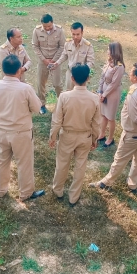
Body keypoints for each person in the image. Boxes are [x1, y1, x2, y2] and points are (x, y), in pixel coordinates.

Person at [0, 54, 45, 201]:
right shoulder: (25, 88)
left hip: (2, 131)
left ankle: (1, 189)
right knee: (24, 163)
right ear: (19, 70)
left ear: (3, 69)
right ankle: (25, 193)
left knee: (2, 161)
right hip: (21, 132)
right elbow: (37, 108)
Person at [89, 63, 137, 193]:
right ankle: (133, 184)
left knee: (120, 158)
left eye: (131, 73)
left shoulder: (134, 94)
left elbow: (134, 117)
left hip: (132, 133)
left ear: (136, 78)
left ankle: (106, 182)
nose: (129, 75)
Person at [49, 63, 101, 207]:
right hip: (85, 136)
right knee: (80, 166)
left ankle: (58, 190)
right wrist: (95, 138)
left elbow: (57, 119)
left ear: (72, 78)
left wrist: (53, 136)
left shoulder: (64, 96)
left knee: (62, 164)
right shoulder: (94, 98)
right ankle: (74, 196)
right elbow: (97, 123)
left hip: (67, 135)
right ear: (88, 78)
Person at [32, 14, 66, 114]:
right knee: (40, 84)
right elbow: (35, 47)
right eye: (45, 26)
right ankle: (42, 104)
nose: (47, 28)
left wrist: (54, 60)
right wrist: (44, 59)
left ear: (52, 22)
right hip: (43, 62)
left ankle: (62, 103)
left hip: (55, 62)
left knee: (57, 84)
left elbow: (62, 46)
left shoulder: (59, 30)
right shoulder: (37, 31)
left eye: (49, 26)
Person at [97, 42, 125, 147]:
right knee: (103, 114)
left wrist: (104, 94)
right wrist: (100, 91)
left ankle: (110, 138)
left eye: (109, 49)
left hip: (112, 93)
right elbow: (102, 77)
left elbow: (114, 84)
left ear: (114, 51)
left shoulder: (119, 67)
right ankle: (102, 133)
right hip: (104, 90)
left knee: (110, 117)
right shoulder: (109, 63)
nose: (107, 51)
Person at [51, 22, 94, 91]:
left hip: (81, 75)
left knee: (81, 94)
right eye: (73, 34)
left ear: (82, 33)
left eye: (78, 34)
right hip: (70, 72)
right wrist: (57, 63)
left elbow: (90, 62)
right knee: (68, 91)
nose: (75, 37)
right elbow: (64, 55)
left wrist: (83, 70)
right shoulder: (68, 43)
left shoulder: (87, 46)